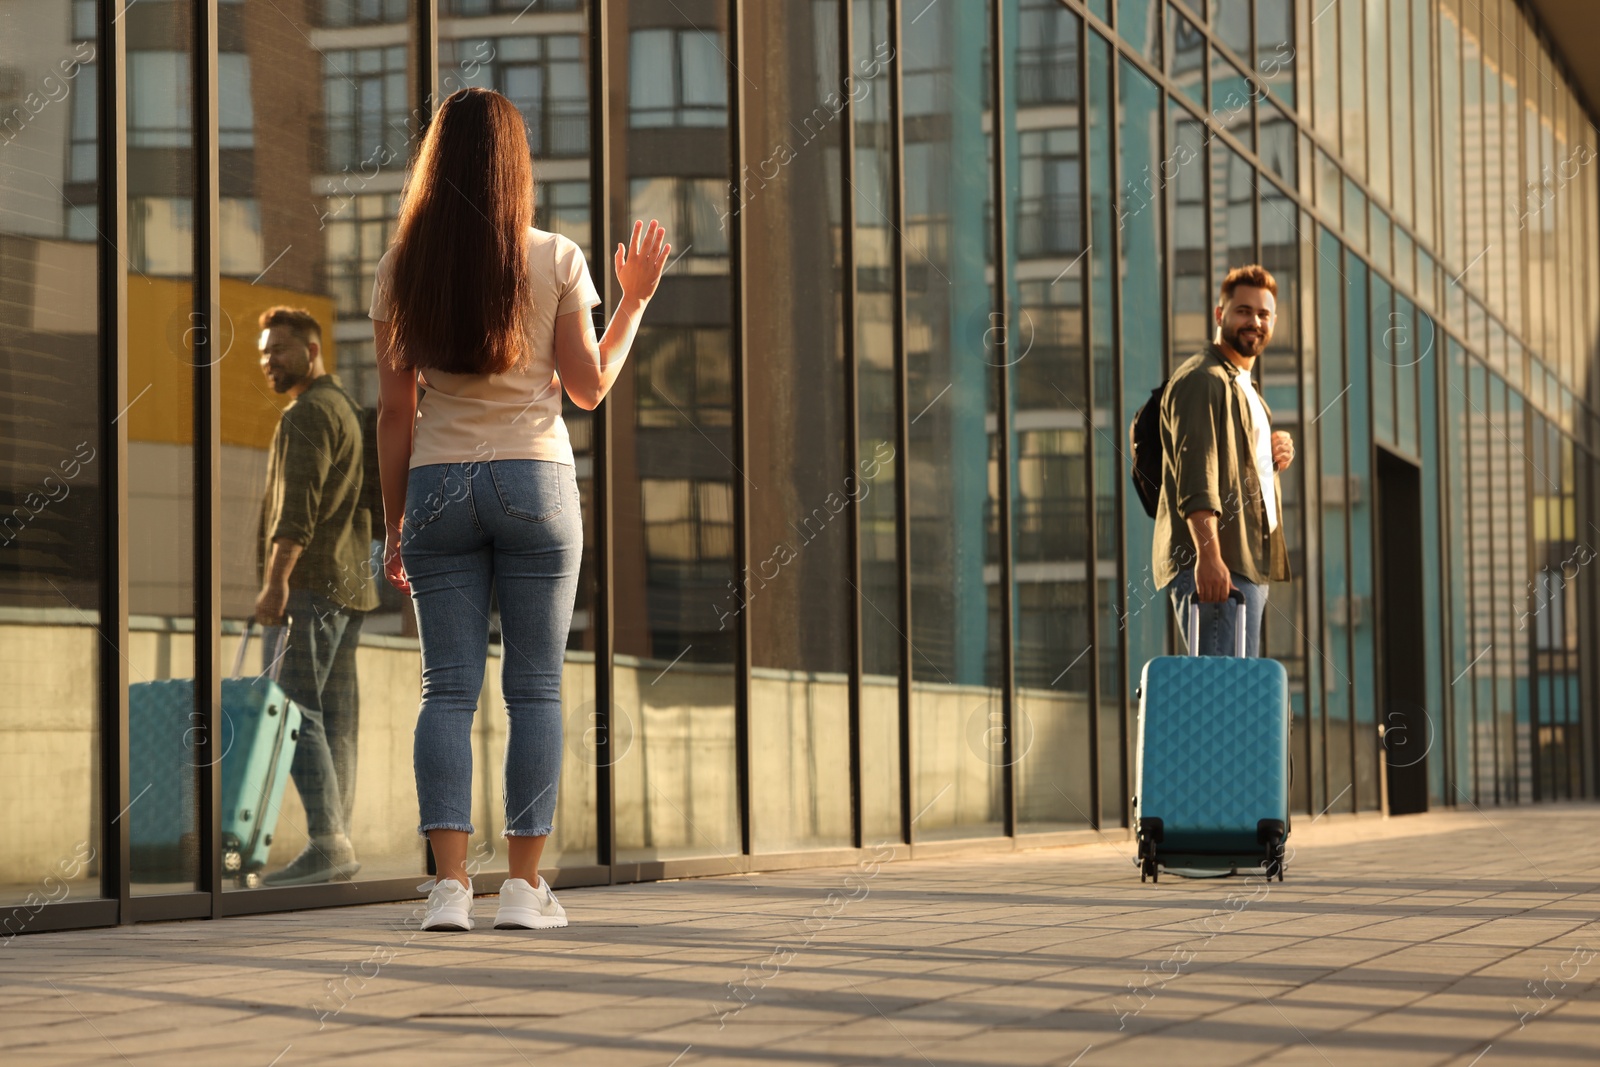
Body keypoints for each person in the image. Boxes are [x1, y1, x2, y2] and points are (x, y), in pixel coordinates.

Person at [370, 87, 669, 932]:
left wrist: (395, 521)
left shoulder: (403, 267)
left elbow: (395, 414)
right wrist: (636, 297)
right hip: (535, 481)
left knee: (446, 688)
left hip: (437, 486)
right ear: (516, 166)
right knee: (535, 685)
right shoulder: (559, 258)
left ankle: (449, 888)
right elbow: (588, 388)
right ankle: (524, 890)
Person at [254, 306, 379, 886]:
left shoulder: (307, 413)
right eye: (261, 352)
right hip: (351, 585)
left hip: (311, 583)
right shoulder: (348, 411)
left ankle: (329, 842)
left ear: (311, 348)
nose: (267, 361)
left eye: (278, 349)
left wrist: (276, 580)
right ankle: (338, 840)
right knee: (335, 719)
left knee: (297, 711)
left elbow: (295, 511)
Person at [1152, 265, 1295, 658]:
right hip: (1219, 567)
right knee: (1221, 703)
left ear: (1274, 322)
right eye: (1243, 311)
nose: (1255, 322)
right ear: (1220, 315)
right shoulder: (1203, 379)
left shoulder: (1241, 383)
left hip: (1244, 566)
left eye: (1263, 314)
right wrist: (1209, 557)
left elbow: (1234, 461)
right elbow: (1197, 473)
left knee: (1234, 702)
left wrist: (1274, 448)